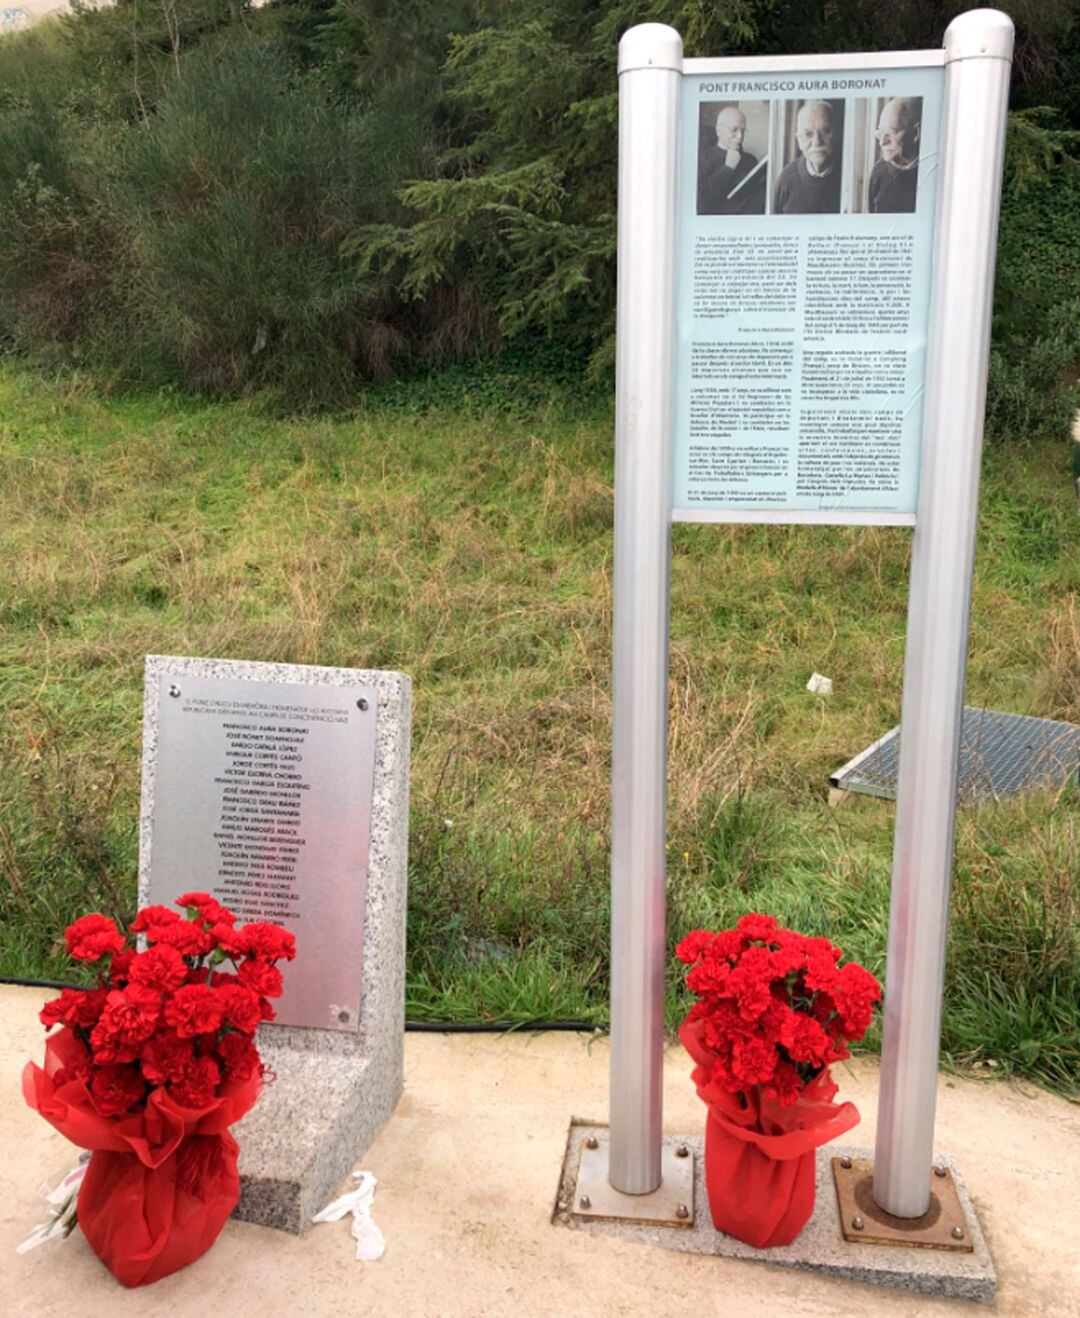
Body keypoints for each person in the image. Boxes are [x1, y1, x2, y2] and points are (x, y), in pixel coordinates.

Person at [773, 101, 841, 214]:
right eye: (808, 134)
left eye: (825, 131)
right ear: (799, 140)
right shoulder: (786, 179)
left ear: (837, 134)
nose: (817, 142)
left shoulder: (850, 177)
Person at [698, 106, 766, 215]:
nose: (740, 136)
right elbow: (701, 202)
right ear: (719, 130)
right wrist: (728, 168)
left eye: (743, 131)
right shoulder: (703, 158)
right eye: (734, 130)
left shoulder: (751, 160)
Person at [869, 97, 921, 214]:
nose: (882, 142)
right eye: (880, 133)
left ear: (916, 133)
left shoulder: (930, 172)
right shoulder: (878, 172)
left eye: (891, 133)